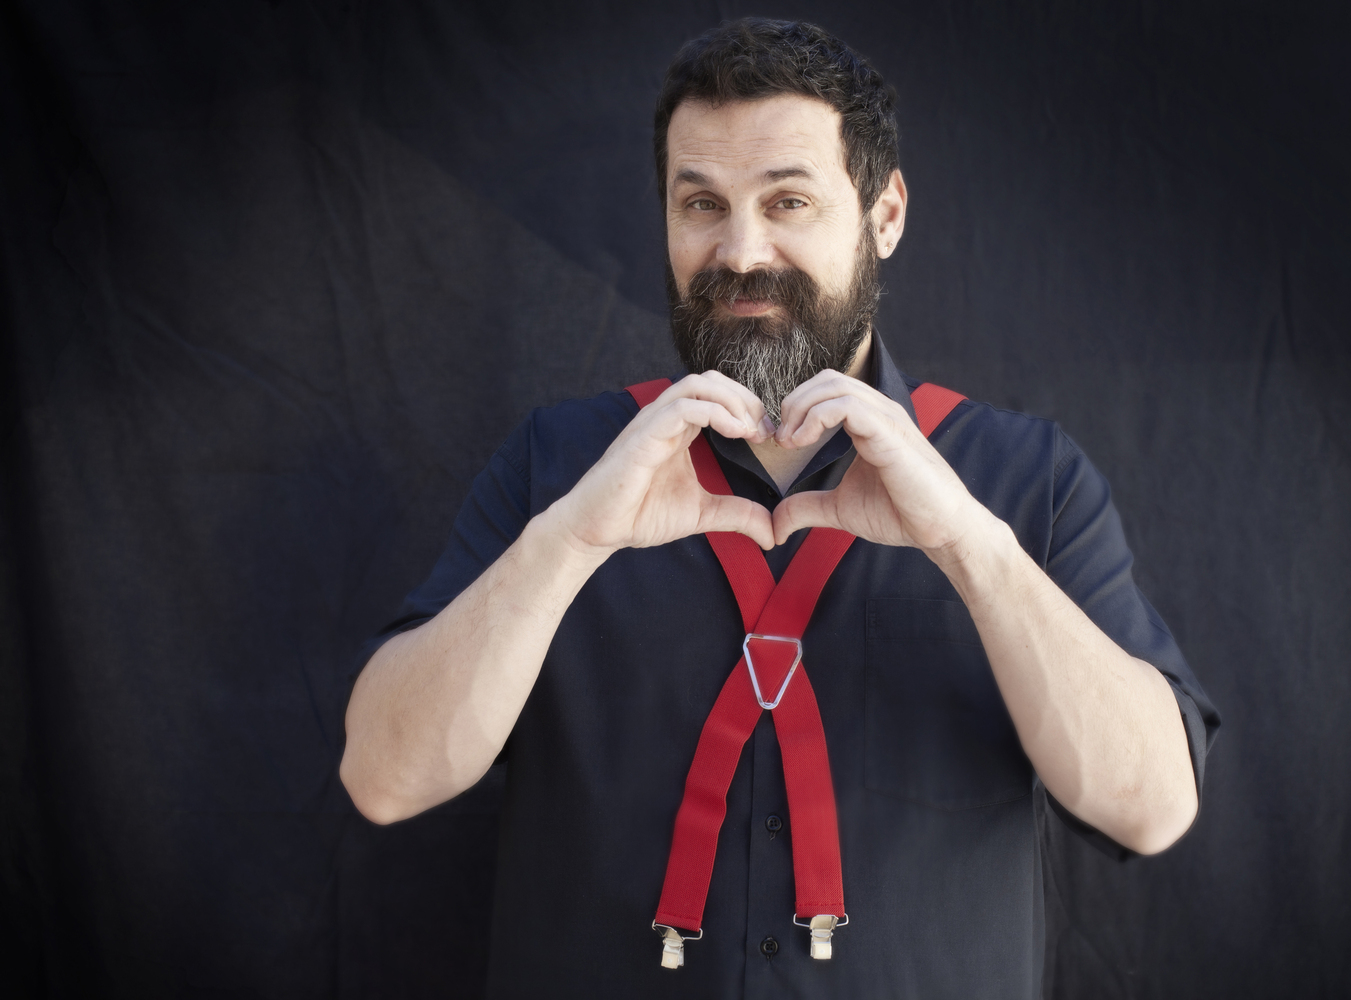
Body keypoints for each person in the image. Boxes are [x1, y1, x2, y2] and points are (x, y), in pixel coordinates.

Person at [341, 17, 1218, 998]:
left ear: (885, 215)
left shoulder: (1029, 479)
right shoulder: (558, 466)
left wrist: (972, 549)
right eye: (701, 204)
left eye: (788, 200)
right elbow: (383, 778)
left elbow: (1152, 808)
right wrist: (571, 542)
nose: (740, 250)